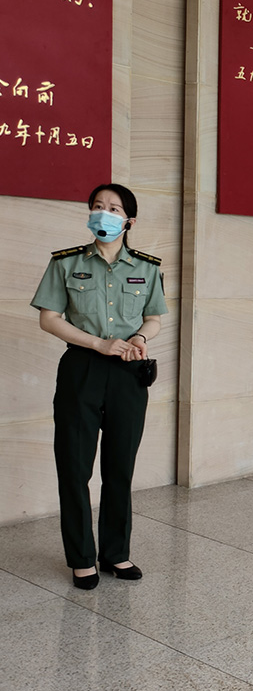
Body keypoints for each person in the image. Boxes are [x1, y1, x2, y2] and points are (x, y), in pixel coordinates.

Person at [31, 184, 168, 589]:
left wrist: (140, 338)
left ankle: (115, 554)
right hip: (82, 368)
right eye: (97, 206)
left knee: (120, 467)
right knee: (74, 467)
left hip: (129, 372)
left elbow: (154, 318)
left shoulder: (147, 267)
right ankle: (81, 558)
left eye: (114, 208)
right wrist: (98, 344)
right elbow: (49, 318)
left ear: (130, 221)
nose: (104, 213)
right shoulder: (66, 263)